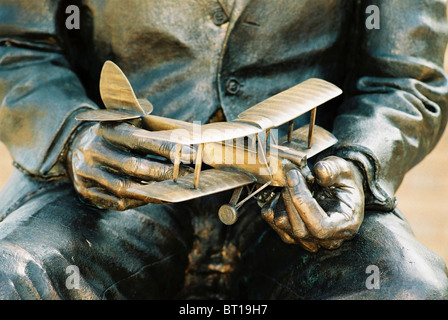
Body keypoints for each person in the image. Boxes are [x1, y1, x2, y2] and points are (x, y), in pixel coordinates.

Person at [0, 0, 447, 299]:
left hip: (302, 190)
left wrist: (357, 163)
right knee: (11, 278)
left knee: (409, 289)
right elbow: (15, 44)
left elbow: (406, 79)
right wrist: (73, 136)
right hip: (115, 184)